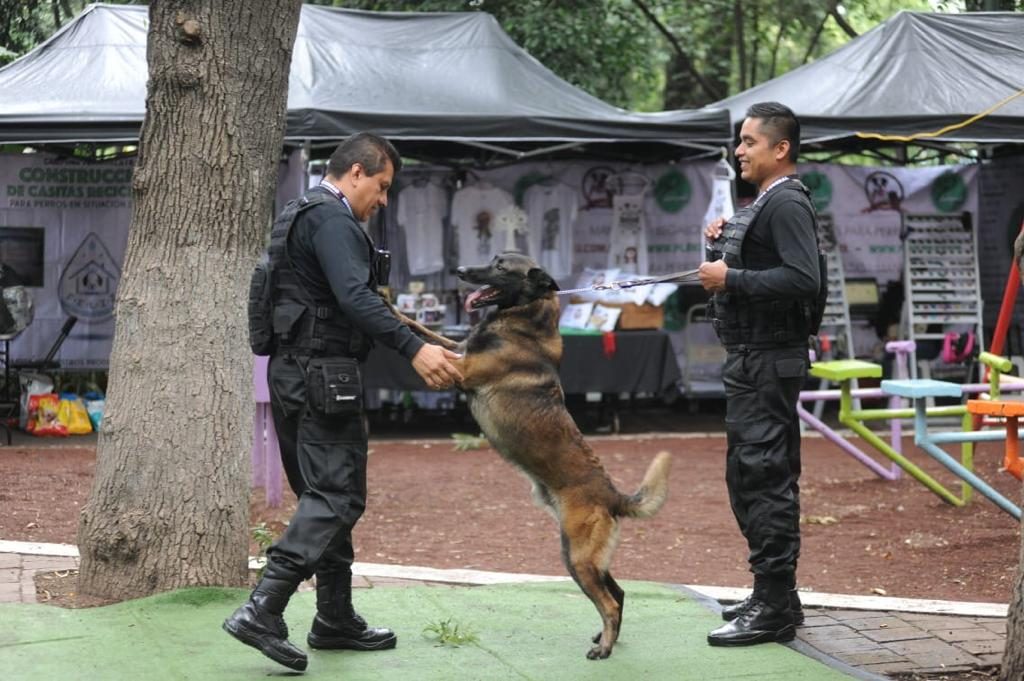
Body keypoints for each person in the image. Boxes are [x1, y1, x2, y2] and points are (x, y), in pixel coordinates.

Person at [224, 132, 463, 672]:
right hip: (321, 378)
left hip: (293, 376)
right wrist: (415, 349)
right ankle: (264, 608)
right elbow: (355, 299)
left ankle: (334, 618)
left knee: (324, 494)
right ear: (356, 172)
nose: (382, 201)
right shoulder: (332, 220)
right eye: (381, 187)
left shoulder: (297, 212)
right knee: (335, 495)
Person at [698, 102, 821, 647]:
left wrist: (731, 278)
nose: (739, 151)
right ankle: (775, 595)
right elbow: (759, 267)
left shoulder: (787, 202)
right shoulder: (765, 203)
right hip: (752, 358)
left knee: (765, 477)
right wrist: (720, 247)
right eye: (739, 141)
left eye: (749, 142)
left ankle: (773, 604)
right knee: (748, 476)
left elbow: (802, 278)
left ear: (780, 149)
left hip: (770, 359)